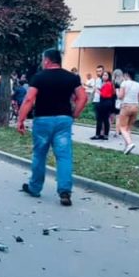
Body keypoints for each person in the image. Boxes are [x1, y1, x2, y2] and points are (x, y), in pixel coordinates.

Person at [17, 49, 87, 207]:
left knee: (39, 154)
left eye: (43, 60)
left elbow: (29, 99)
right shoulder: (72, 78)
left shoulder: (39, 77)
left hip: (43, 120)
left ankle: (35, 187)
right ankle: (64, 191)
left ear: (47, 61)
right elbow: (83, 97)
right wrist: (74, 114)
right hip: (64, 120)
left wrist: (21, 120)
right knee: (63, 156)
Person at [118, 69, 139, 155]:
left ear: (126, 74)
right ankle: (127, 147)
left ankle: (130, 143)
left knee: (122, 127)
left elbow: (120, 96)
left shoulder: (124, 83)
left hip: (126, 106)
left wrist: (118, 93)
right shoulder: (138, 84)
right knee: (128, 128)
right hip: (136, 107)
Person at [93, 71, 114, 140]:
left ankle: (98, 135)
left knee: (100, 119)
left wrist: (97, 91)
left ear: (109, 77)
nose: (104, 76)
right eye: (103, 75)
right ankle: (105, 135)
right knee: (105, 119)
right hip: (106, 102)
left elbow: (104, 95)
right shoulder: (107, 83)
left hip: (104, 102)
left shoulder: (108, 84)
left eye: (106, 75)